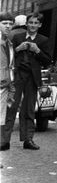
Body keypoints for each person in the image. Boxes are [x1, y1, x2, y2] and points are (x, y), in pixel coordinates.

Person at [2, 12, 52, 151]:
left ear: (40, 25)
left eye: (36, 23)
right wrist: (18, 49)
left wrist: (37, 51)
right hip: (17, 76)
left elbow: (48, 61)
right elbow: (6, 56)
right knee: (11, 108)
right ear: (27, 24)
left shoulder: (43, 40)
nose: (33, 25)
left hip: (32, 77)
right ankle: (4, 140)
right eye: (31, 22)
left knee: (29, 110)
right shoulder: (16, 37)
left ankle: (28, 139)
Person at [1, 15, 16, 145]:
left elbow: (10, 66)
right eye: (4, 23)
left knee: (1, 121)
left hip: (6, 87)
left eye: (10, 23)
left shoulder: (9, 43)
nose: (7, 26)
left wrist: (12, 86)